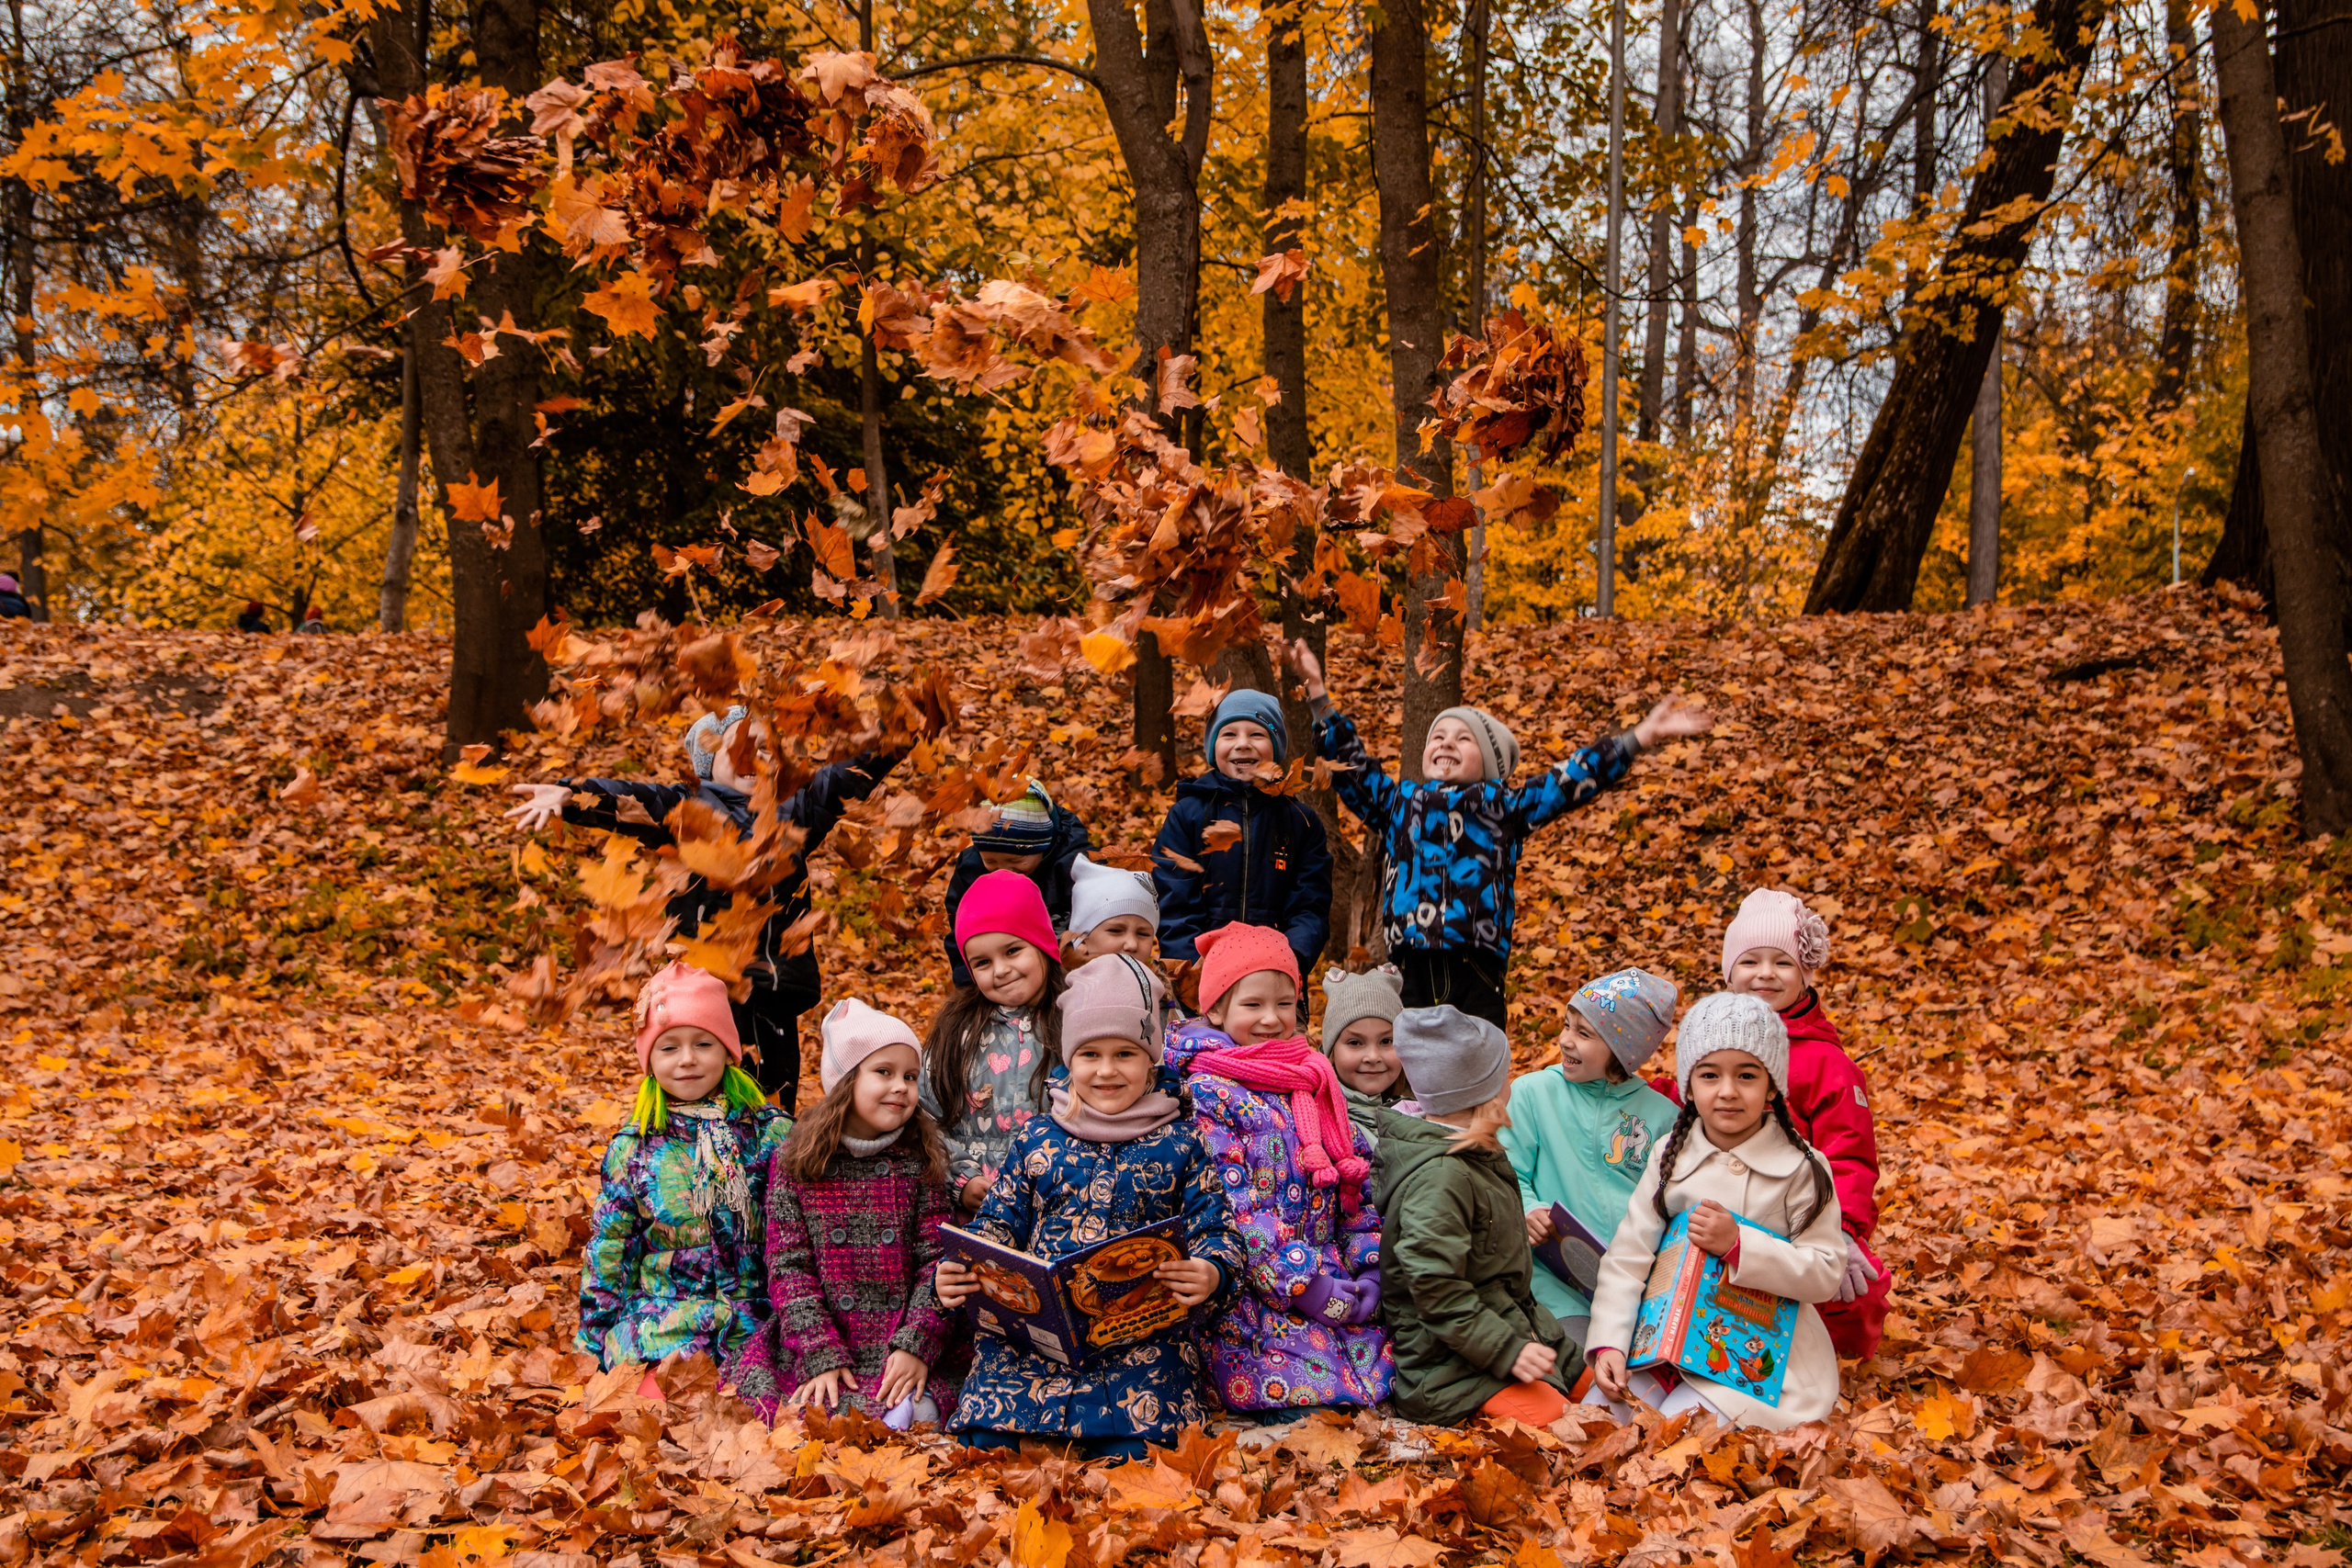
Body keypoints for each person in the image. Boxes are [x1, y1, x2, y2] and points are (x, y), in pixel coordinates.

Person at [1286, 638, 1709, 1030]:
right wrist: (1319, 696)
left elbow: (1571, 779)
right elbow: (1352, 767)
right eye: (1438, 736)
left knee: (1478, 1061)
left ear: (1489, 764)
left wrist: (1639, 738)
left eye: (1463, 738)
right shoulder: (1399, 802)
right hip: (1409, 964)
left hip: (1477, 963)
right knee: (1410, 1066)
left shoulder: (1505, 806)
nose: (1446, 743)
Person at [506, 705, 902, 1111]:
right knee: (709, 1108)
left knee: (773, 1113)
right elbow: (634, 799)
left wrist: (898, 737)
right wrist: (571, 795)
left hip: (773, 993)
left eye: (765, 748)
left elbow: (844, 780)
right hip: (707, 997)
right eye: (740, 748)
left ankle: (769, 1173)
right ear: (709, 761)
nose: (754, 757)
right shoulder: (687, 808)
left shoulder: (793, 811)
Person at [936, 953, 1244, 1460]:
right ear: (1068, 1060)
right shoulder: (1036, 1139)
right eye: (1090, 1054)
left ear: (1152, 1060)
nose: (1106, 1071)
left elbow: (1217, 1228)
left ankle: (1120, 1438)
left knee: (1143, 1444)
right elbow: (997, 1223)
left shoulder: (1181, 1142)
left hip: (1139, 1330)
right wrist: (960, 1270)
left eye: (1125, 1054)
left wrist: (1211, 1271)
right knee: (987, 1439)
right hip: (1038, 1333)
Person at [1586, 991, 1848, 1430]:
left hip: (1761, 1364)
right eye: (1710, 1075)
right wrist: (1610, 1342)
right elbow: (1628, 1259)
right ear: (1689, 1085)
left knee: (1672, 1432)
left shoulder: (1802, 1167)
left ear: (1772, 1084)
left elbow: (1825, 1271)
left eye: (1747, 1075)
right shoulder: (1670, 1155)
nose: (1728, 1092)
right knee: (1598, 1419)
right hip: (1661, 1345)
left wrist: (1741, 1246)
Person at [1163, 923, 1392, 1419]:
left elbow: (1355, 1185)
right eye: (1253, 1005)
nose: (1271, 1018)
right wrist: (1305, 1286)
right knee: (1307, 1402)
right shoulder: (1206, 1093)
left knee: (1387, 1379)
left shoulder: (1313, 1079)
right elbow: (1237, 1210)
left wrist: (1370, 1265)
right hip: (1257, 1294)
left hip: (1335, 1279)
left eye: (1285, 1003)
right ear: (1217, 1009)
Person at [727, 998, 962, 1427]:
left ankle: (911, 1404)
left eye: (911, 1077)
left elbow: (938, 1261)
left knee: (928, 1395)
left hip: (899, 1330)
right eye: (884, 1072)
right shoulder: (799, 1161)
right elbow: (788, 1266)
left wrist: (917, 1343)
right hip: (829, 1329)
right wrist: (819, 1349)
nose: (901, 1087)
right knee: (794, 1404)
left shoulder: (918, 1161)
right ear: (845, 1081)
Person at [1374, 1004, 1582, 1426]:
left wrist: (1555, 1351)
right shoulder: (1440, 1176)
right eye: (1503, 1078)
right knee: (1567, 1428)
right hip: (1451, 1365)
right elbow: (1435, 1288)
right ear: (1484, 1095)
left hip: (1512, 1328)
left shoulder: (1473, 1152)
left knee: (1604, 1393)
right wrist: (1508, 1350)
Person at [577, 963, 790, 1374]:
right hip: (662, 1327)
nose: (688, 1060)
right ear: (650, 1061)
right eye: (669, 1047)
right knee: (659, 1410)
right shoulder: (635, 1148)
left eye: (704, 1044)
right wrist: (591, 1345)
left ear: (729, 1051)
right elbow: (610, 1252)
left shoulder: (771, 1134)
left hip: (758, 1326)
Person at [1720, 888, 1887, 1358]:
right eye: (1751, 961)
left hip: (1803, 1216)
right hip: (1726, 1209)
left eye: (1783, 962)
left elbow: (1850, 1156)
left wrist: (1845, 1231)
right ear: (1730, 973)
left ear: (1806, 974)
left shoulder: (1826, 1064)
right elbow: (1679, 1099)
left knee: (1855, 1293)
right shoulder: (1712, 1042)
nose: (1766, 974)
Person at [1498, 968, 1682, 1340]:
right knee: (1581, 1364)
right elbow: (1504, 1171)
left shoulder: (1663, 1116)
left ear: (1623, 1051)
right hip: (1552, 1282)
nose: (1566, 1040)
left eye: (1584, 1034)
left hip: (1635, 1288)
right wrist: (1529, 1209)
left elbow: (1673, 1203)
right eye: (1567, 1026)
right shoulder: (1533, 1094)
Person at [1153, 689, 1333, 989]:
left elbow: (1310, 905)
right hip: (1201, 973)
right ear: (1213, 747)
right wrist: (1190, 967)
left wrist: (1292, 959)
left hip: (1274, 973)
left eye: (1257, 734)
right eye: (1229, 734)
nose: (1242, 744)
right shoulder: (1188, 815)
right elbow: (1173, 898)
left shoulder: (1299, 821)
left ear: (1275, 747)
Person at [919, 870, 1067, 1213]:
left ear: (1042, 944)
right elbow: (924, 1117)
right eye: (983, 962)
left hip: (1060, 1206)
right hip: (979, 1214)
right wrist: (962, 1179)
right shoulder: (957, 1032)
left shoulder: (1074, 1019)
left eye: (1013, 950)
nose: (1000, 970)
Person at [941, 780, 1094, 986]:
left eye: (1015, 861)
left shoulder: (1074, 866)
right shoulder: (971, 870)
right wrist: (970, 986)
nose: (1003, 870)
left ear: (1043, 846)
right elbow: (960, 938)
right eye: (991, 861)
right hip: (1000, 977)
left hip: (1068, 976)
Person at [1320, 964, 1407, 1150]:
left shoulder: (1418, 1115)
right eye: (1355, 1043)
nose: (1373, 1056)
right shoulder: (1318, 1126)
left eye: (1386, 1041)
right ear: (1331, 1052)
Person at [1064, 853, 1160, 965]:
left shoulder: (1156, 983)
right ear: (1082, 941)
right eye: (1116, 931)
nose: (1132, 944)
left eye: (1143, 934)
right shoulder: (1067, 983)